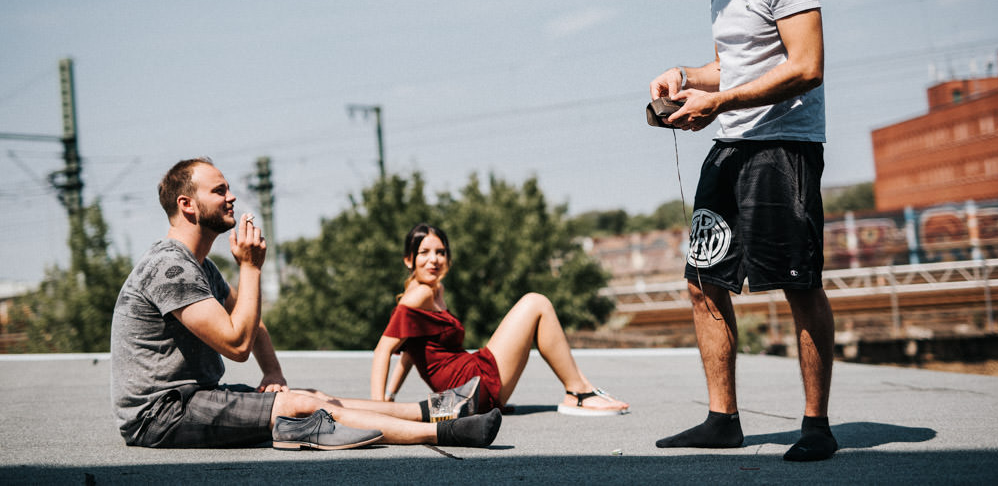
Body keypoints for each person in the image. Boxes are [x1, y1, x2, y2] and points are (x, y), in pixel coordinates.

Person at [110, 158, 501, 450]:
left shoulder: (200, 267)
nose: (231, 197)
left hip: (195, 397)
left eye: (228, 188)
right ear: (188, 205)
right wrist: (250, 267)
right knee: (298, 405)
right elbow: (235, 344)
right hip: (161, 415)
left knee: (313, 397)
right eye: (219, 190)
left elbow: (253, 324)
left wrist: (274, 374)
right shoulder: (169, 269)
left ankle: (437, 409)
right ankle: (446, 432)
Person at [648, 0, 837, 461]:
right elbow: (732, 63)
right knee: (702, 279)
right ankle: (722, 418)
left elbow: (807, 65)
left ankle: (816, 425)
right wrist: (687, 78)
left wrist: (721, 100)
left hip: (784, 145)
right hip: (732, 144)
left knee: (798, 283)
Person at [370, 223, 629, 416]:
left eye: (440, 251)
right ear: (409, 259)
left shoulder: (436, 290)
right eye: (424, 252)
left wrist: (391, 396)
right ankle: (579, 392)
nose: (434, 259)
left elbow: (409, 354)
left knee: (535, 308)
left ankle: (581, 389)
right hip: (468, 385)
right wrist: (380, 408)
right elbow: (383, 350)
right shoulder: (419, 295)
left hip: (470, 378)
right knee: (536, 302)